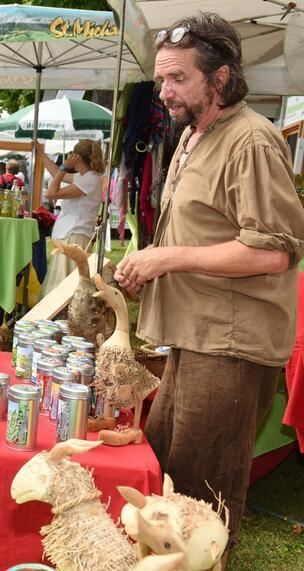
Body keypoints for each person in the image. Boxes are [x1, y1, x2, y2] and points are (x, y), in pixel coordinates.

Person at [114, 12, 304, 550]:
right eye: (161, 79)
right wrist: (150, 262)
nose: (165, 91)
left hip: (232, 346)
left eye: (179, 79)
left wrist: (167, 257)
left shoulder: (252, 141)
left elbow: (272, 253)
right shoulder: (195, 134)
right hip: (195, 338)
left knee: (202, 501)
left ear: (219, 78)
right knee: (168, 476)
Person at [37, 139, 104, 297]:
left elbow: (51, 193)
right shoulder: (86, 177)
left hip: (75, 236)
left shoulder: (89, 179)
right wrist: (40, 153)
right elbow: (56, 174)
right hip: (73, 234)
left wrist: (64, 167)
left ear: (76, 157)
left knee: (65, 285)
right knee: (64, 283)